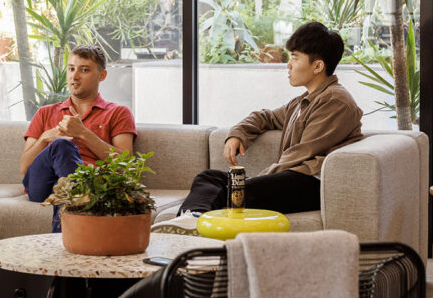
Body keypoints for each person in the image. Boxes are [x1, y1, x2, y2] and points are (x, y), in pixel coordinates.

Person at [154, 21, 363, 233]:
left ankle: (196, 229)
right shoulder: (303, 101)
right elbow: (266, 117)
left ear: (318, 66)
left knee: (242, 189)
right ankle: (190, 221)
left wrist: (259, 178)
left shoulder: (336, 102)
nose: (288, 64)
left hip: (312, 184)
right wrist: (238, 135)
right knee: (208, 177)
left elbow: (300, 155)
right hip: (293, 177)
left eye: (295, 57)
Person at [21, 44, 137, 231]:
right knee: (61, 145)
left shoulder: (118, 113)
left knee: (67, 171)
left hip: (92, 185)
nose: (74, 76)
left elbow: (125, 166)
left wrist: (83, 133)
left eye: (84, 70)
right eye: (71, 68)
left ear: (102, 75)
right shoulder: (45, 112)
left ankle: (67, 221)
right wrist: (45, 138)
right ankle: (75, 208)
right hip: (42, 184)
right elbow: (24, 167)